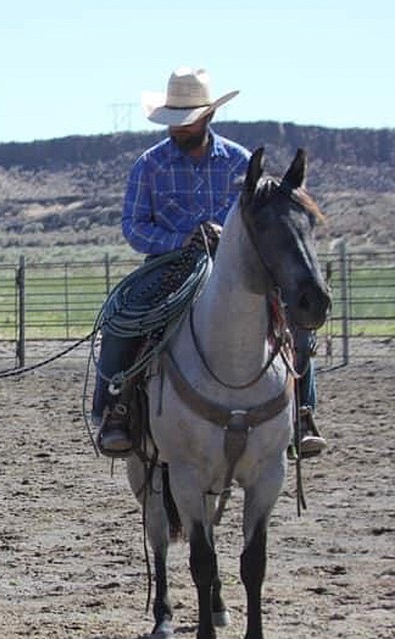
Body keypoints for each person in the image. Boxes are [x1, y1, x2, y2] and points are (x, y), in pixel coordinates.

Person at [92, 66, 328, 458]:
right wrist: (180, 239)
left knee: (296, 322)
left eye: (185, 123)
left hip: (237, 270)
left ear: (207, 117)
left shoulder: (239, 164)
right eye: (173, 123)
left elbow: (262, 223)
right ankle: (113, 410)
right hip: (170, 266)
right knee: (122, 319)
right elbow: (134, 227)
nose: (177, 130)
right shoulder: (149, 165)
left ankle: (302, 412)